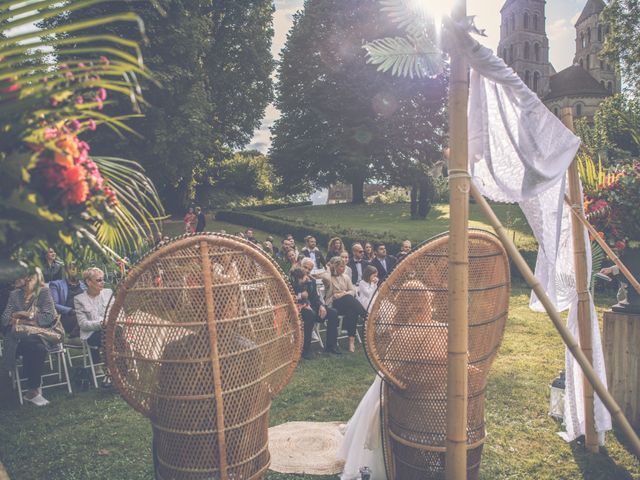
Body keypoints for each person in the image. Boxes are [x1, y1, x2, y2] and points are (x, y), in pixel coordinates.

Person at [1, 270, 57, 406]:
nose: (16, 278)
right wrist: (29, 320)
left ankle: (32, 390)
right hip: (16, 339)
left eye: (19, 275)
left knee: (36, 347)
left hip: (38, 336)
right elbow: (4, 320)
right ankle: (33, 390)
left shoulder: (43, 292)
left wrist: (20, 315)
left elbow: (48, 317)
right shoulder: (14, 295)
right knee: (34, 347)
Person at [291, 263, 341, 359]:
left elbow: (316, 298)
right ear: (301, 266)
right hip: (298, 308)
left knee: (333, 312)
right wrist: (301, 294)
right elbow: (289, 297)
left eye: (310, 269)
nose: (307, 270)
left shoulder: (312, 281)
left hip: (312, 307)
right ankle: (305, 350)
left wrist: (322, 306)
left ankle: (331, 346)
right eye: (305, 267)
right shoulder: (293, 279)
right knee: (310, 314)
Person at [74, 267, 114, 386]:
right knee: (111, 336)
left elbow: (117, 312)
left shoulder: (108, 293)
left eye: (103, 279)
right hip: (92, 334)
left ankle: (112, 373)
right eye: (99, 280)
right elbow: (83, 324)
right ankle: (117, 371)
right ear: (88, 282)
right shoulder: (79, 299)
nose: (103, 282)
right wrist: (101, 324)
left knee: (114, 334)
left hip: (113, 329)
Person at [322, 257, 366, 353]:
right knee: (349, 299)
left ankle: (351, 341)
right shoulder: (329, 278)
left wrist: (343, 293)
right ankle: (366, 316)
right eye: (341, 267)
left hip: (346, 302)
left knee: (352, 310)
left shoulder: (345, 277)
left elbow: (353, 291)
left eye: (344, 266)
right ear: (335, 267)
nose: (344, 269)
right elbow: (325, 278)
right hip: (333, 303)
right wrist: (329, 269)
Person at [49, 263, 86, 338]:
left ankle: (76, 333)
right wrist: (70, 310)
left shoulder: (83, 286)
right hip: (65, 317)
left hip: (82, 315)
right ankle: (73, 336)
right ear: (66, 270)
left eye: (77, 269)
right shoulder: (56, 284)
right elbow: (54, 304)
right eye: (71, 268)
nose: (74, 271)